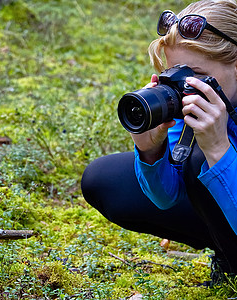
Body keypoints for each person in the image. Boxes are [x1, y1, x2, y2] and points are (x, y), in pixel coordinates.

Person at [81, 0, 237, 285]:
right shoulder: (191, 99)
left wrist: (218, 149)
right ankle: (228, 252)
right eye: (175, 72)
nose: (184, 85)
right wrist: (151, 150)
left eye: (197, 75)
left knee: (203, 159)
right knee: (103, 179)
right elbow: (165, 198)